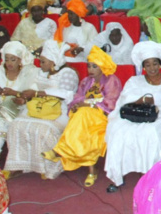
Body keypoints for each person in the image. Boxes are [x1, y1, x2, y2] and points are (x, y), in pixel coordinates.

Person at [104, 41, 161, 191]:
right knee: (118, 132)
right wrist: (142, 100)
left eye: (155, 64)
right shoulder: (135, 81)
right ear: (143, 67)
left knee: (150, 133)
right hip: (138, 115)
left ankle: (150, 175)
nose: (152, 68)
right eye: (148, 65)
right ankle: (117, 176)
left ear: (160, 64)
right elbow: (123, 101)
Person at [47, 47, 123, 187]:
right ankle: (91, 171)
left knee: (83, 117)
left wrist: (89, 104)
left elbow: (111, 103)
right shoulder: (86, 81)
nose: (90, 69)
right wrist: (77, 105)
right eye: (89, 66)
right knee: (81, 119)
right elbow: (78, 97)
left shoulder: (111, 80)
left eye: (95, 66)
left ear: (102, 66)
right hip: (85, 117)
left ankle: (60, 150)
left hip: (103, 116)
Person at [2, 41, 79, 180]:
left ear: (53, 61)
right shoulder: (41, 73)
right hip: (37, 108)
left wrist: (37, 94)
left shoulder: (68, 73)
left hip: (59, 111)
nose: (40, 64)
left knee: (44, 130)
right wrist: (23, 99)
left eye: (43, 62)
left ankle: (47, 166)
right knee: (16, 125)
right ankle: (17, 166)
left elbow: (66, 95)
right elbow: (32, 89)